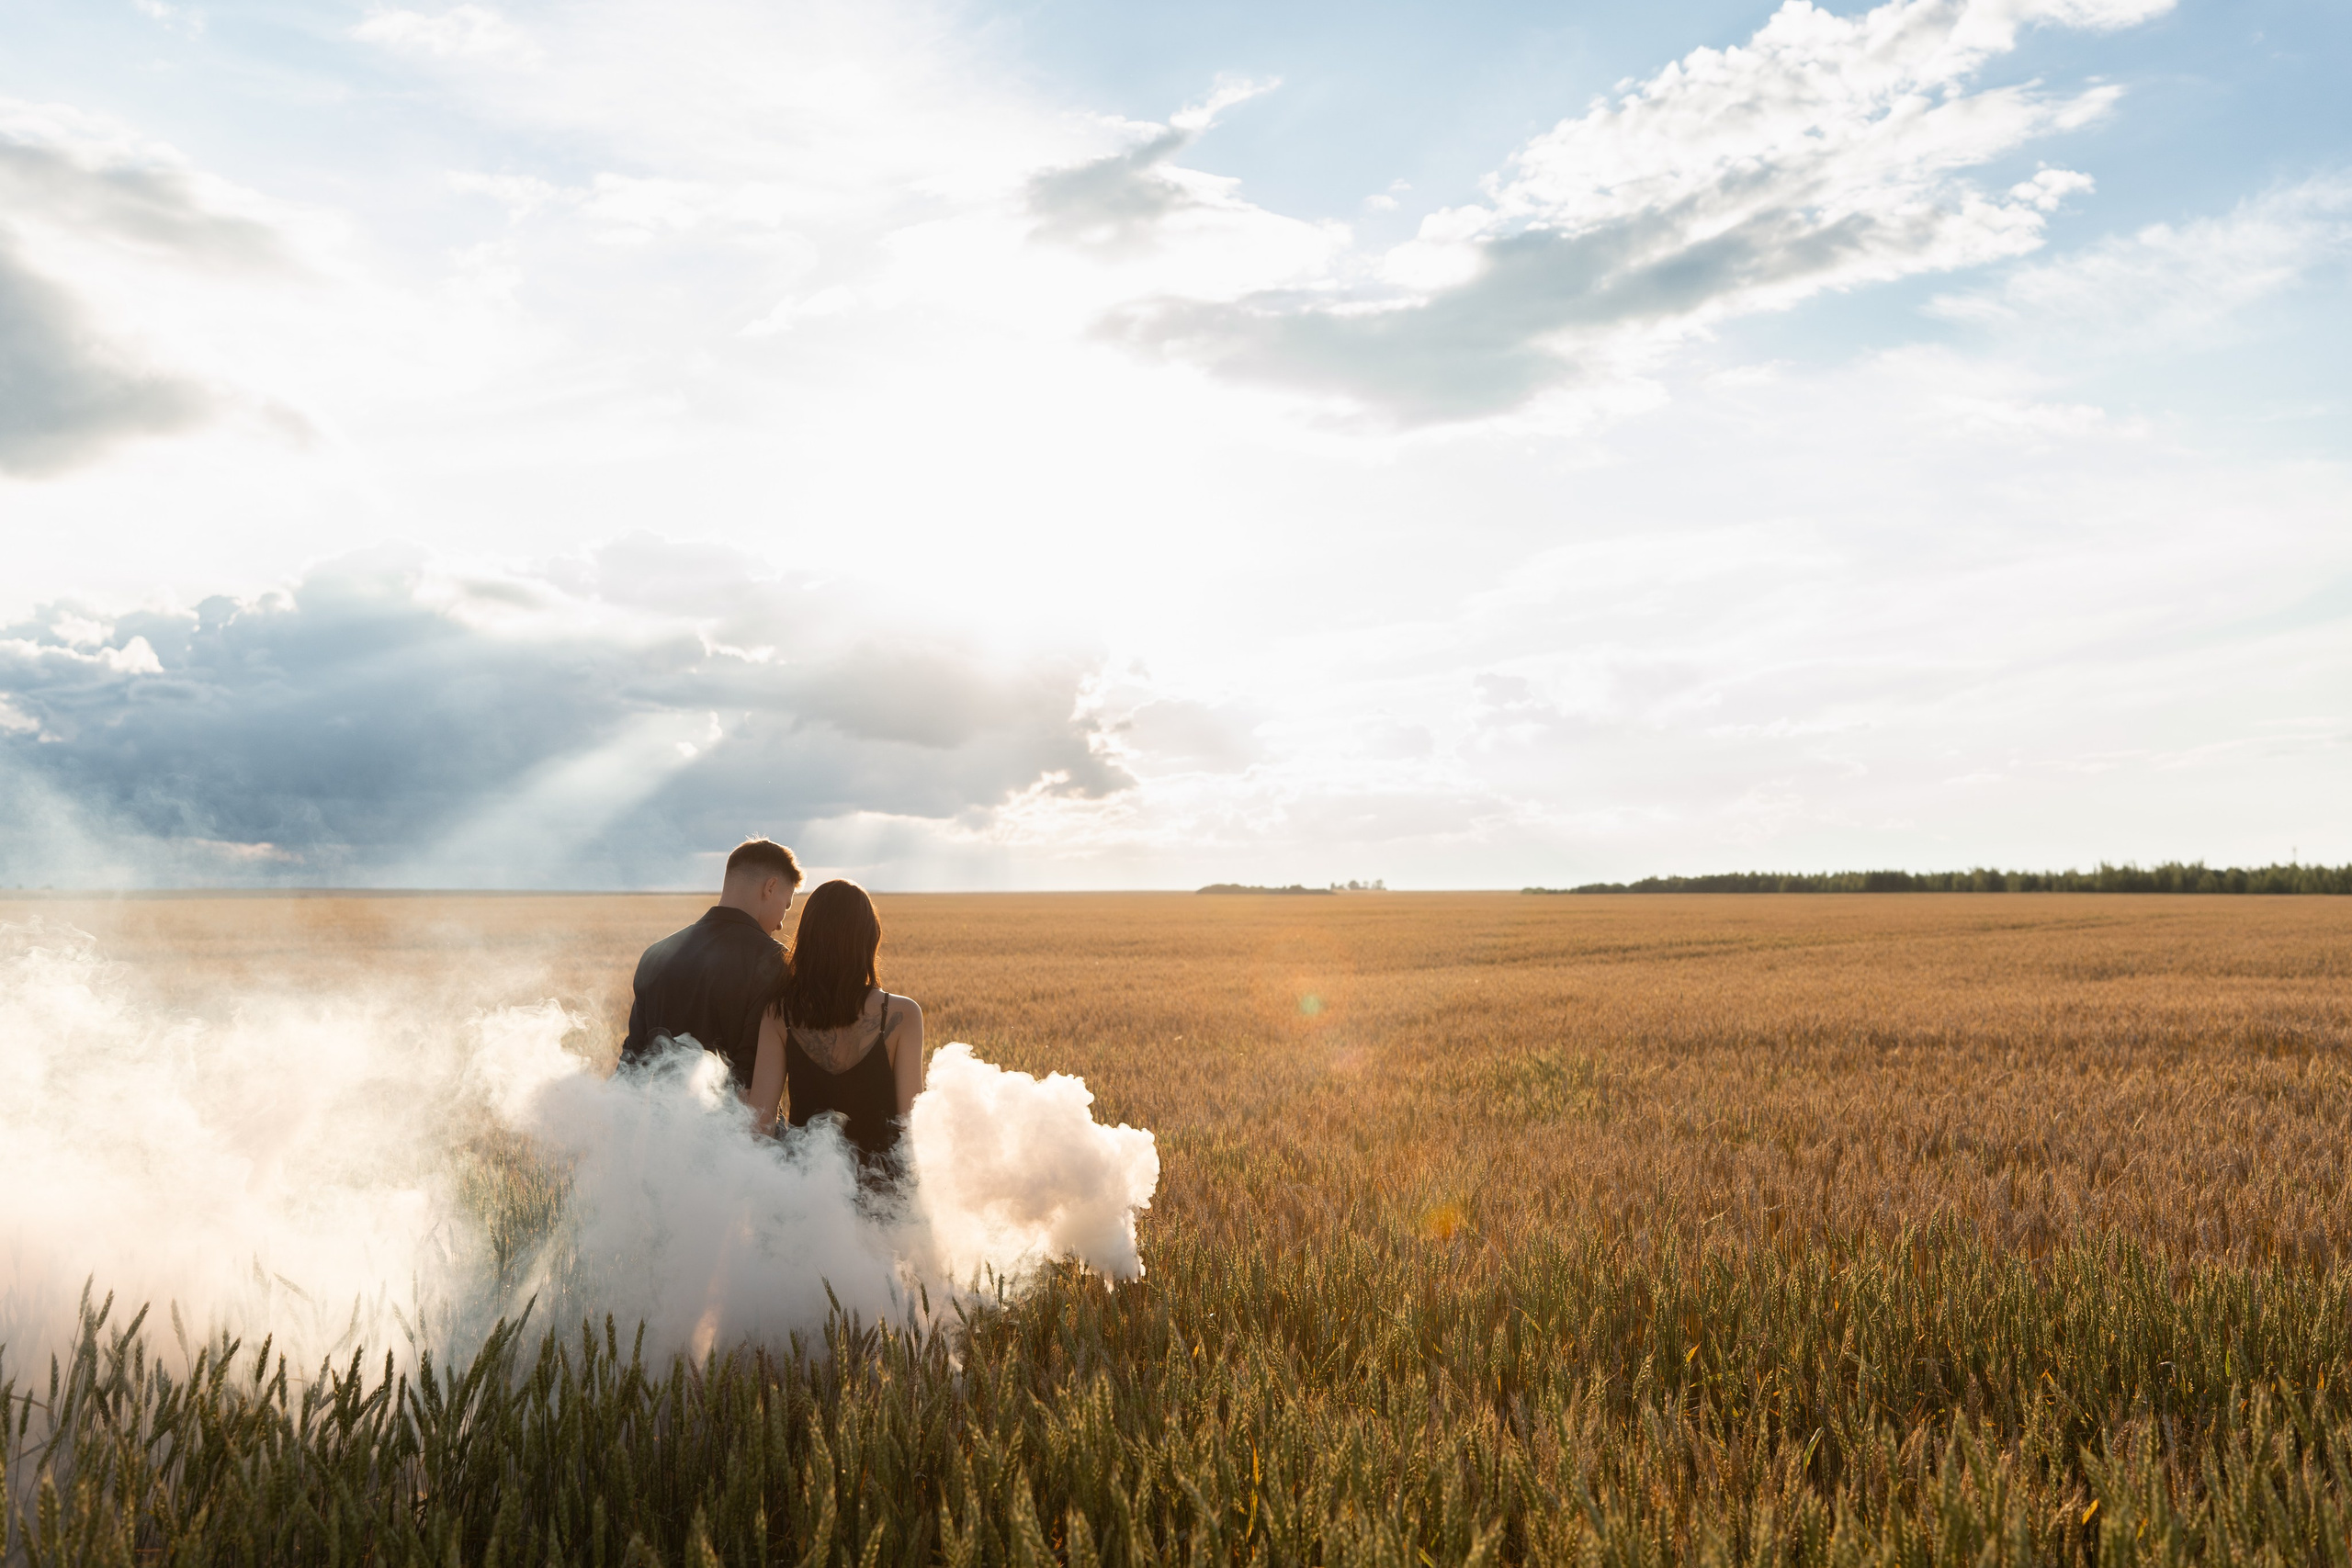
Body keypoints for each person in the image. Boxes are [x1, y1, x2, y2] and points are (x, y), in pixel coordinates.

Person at [746, 879, 924, 1179]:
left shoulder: (778, 1015)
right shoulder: (902, 1014)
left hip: (809, 1190)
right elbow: (912, 1124)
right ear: (870, 938)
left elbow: (759, 1127)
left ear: (808, 940)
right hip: (884, 1195)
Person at [619, 838, 801, 1091]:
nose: (781, 923)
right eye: (787, 904)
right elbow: (751, 1080)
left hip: (662, 1128)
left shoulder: (656, 954)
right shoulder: (774, 962)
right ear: (770, 888)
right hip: (732, 1127)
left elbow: (630, 1068)